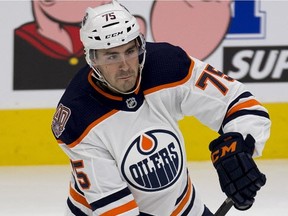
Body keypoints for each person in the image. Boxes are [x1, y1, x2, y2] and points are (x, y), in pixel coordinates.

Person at [51, 1, 271, 215]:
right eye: (112, 56)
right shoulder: (77, 116)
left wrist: (242, 146)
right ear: (92, 58)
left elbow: (239, 102)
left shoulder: (167, 65)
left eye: (130, 51)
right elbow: (116, 210)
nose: (126, 66)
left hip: (182, 206)